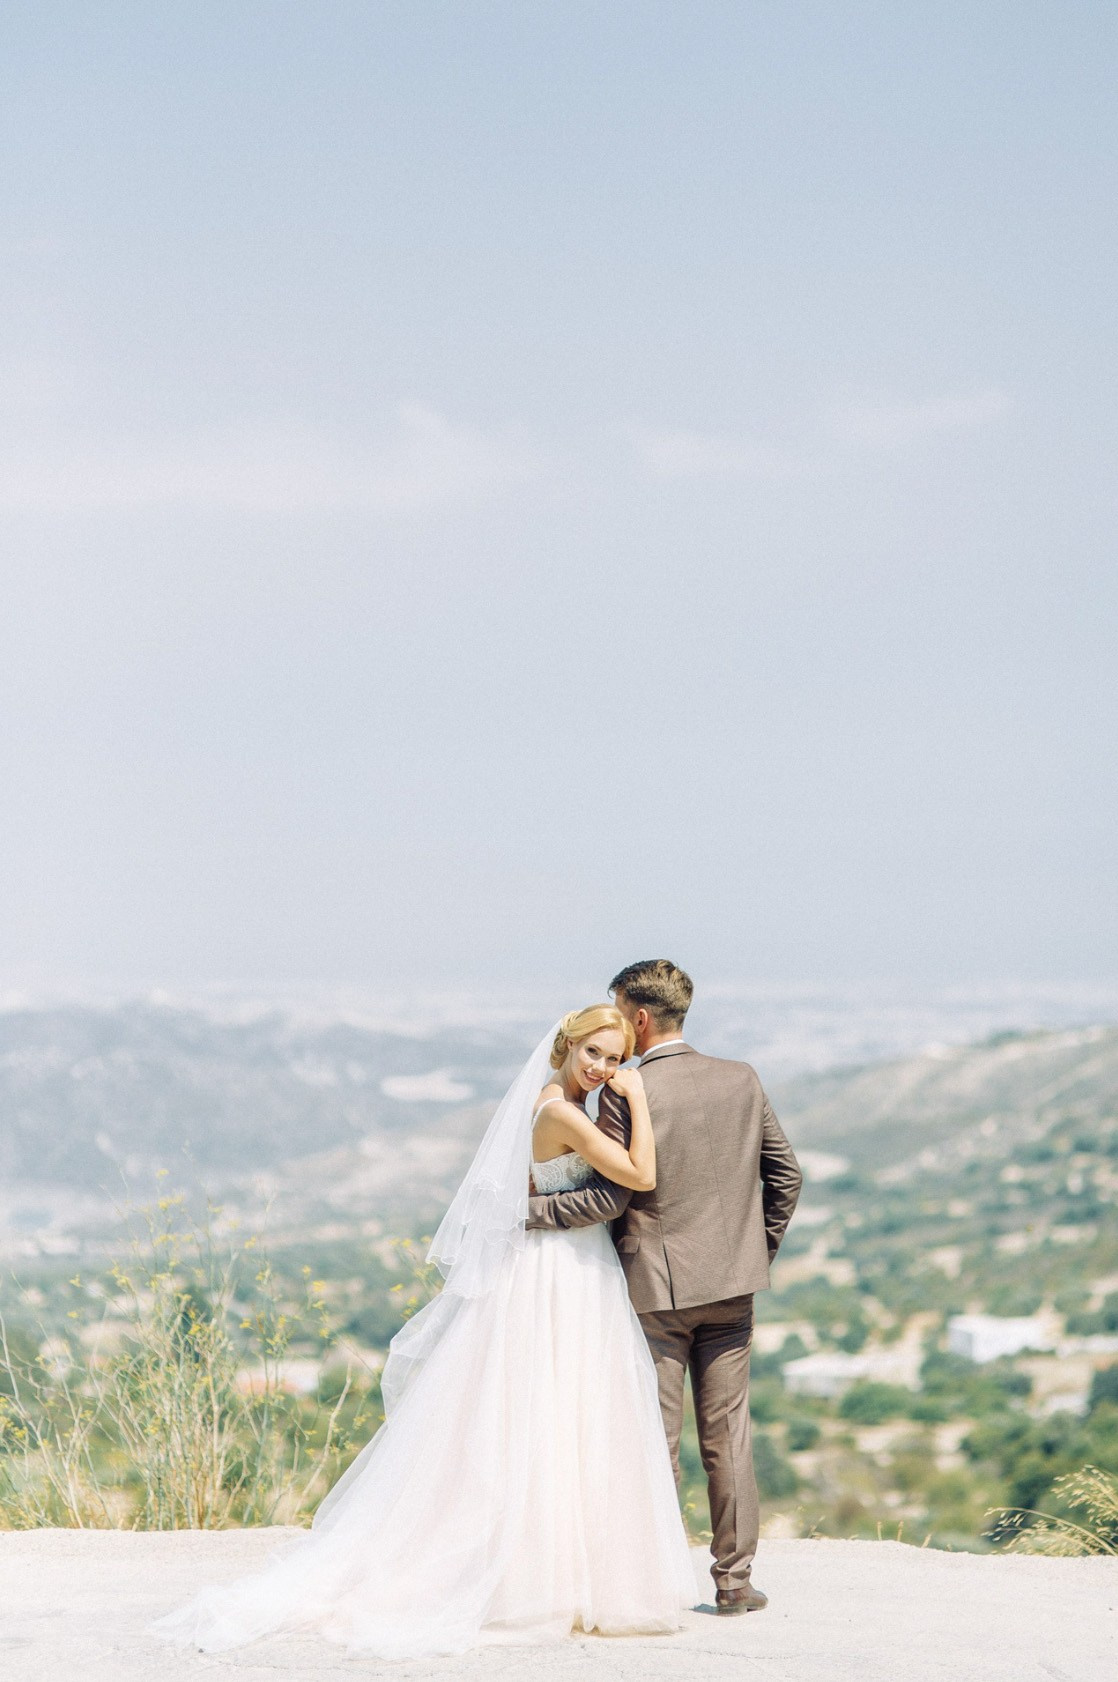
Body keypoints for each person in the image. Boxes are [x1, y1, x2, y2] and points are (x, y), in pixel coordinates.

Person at [153, 1004, 696, 1659]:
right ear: (567, 1046)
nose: (605, 1068)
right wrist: (635, 1094)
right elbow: (641, 1176)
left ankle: (561, 1570)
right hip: (559, 1273)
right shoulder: (560, 1112)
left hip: (573, 1267)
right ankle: (534, 1577)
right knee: (544, 1410)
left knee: (563, 1412)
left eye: (615, 1058)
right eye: (595, 1054)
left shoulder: (559, 1102)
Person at [527, 960, 802, 1614]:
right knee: (728, 1435)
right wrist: (752, 1253)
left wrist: (526, 1216)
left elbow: (609, 1197)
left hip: (655, 1292)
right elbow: (786, 1176)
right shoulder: (742, 1078)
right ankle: (734, 1585)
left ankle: (652, 1583)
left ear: (640, 1017)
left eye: (619, 1012)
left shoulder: (626, 1090)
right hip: (734, 1288)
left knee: (650, 1439)